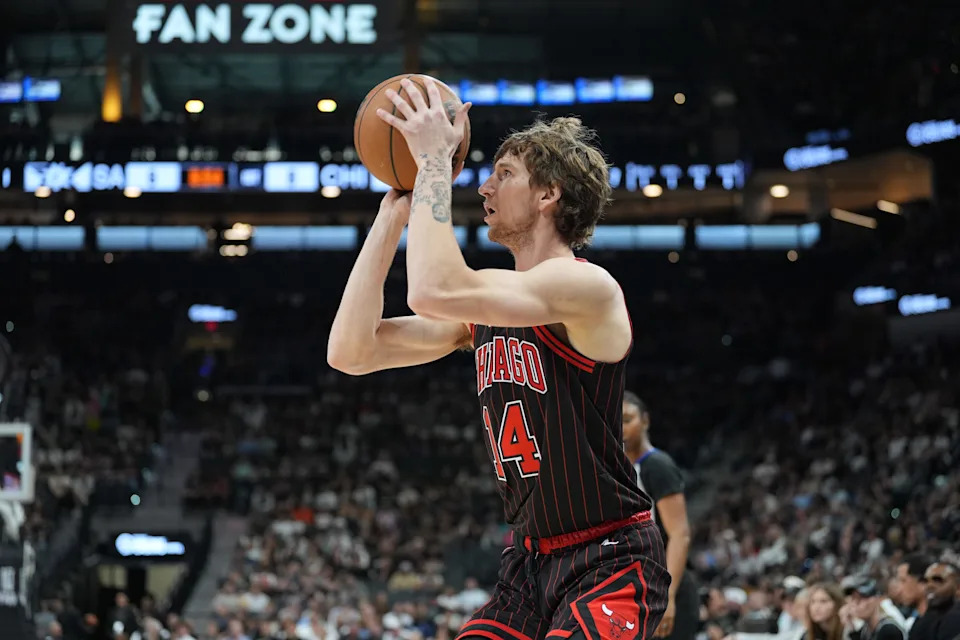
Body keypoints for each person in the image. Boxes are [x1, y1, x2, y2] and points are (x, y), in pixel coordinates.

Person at [328, 76, 669, 640]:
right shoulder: (484, 309)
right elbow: (350, 352)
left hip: (611, 556)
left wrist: (436, 160)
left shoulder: (588, 289)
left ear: (548, 194)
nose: (483, 188)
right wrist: (392, 217)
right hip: (528, 565)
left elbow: (433, 287)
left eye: (503, 175)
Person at [622, 393, 696, 640]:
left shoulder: (657, 466)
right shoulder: (618, 470)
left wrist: (668, 596)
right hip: (639, 586)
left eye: (627, 419)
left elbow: (680, 534)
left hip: (666, 586)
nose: (621, 428)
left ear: (645, 421)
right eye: (615, 421)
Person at [910, 563, 960, 640]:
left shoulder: (955, 619)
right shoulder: (923, 620)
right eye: (926, 581)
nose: (929, 585)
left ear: (958, 587)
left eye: (938, 580)